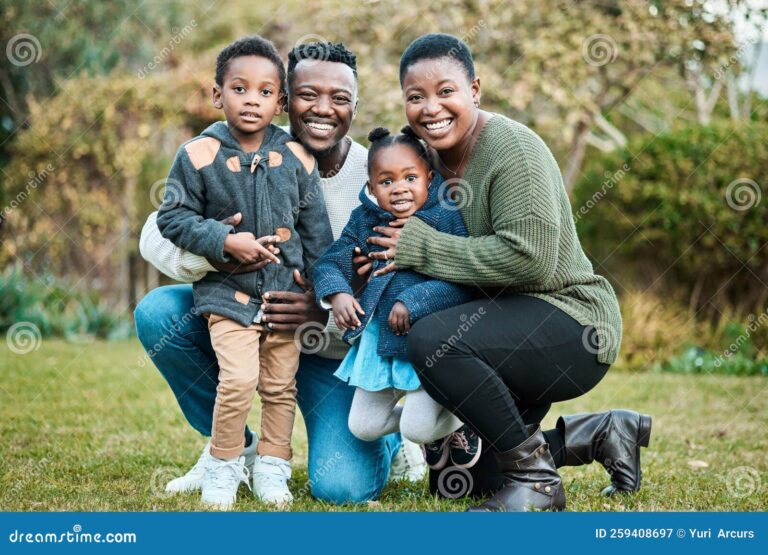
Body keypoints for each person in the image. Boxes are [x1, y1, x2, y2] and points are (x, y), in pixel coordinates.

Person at [365, 33, 652, 511]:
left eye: (446, 91)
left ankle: (538, 484)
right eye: (416, 97)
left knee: (432, 340)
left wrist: (422, 247)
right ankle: (601, 433)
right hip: (499, 325)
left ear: (474, 90)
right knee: (465, 479)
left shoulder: (513, 150)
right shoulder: (423, 161)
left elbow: (530, 259)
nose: (431, 107)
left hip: (572, 321)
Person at [135, 42, 426, 506]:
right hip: (242, 311)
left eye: (340, 98)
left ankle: (390, 439)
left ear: (355, 105)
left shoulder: (382, 171)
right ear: (286, 100)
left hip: (334, 353)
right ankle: (233, 452)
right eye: (309, 94)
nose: (323, 109)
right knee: (159, 314)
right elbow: (154, 233)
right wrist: (225, 252)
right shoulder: (227, 149)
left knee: (341, 487)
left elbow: (410, 275)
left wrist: (323, 309)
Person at [155, 36, 333, 508]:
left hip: (282, 299)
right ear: (218, 95)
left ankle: (273, 467)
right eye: (239, 88)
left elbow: (315, 231)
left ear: (280, 103)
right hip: (227, 297)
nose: (251, 99)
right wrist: (220, 240)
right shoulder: (197, 154)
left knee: (280, 387)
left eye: (264, 91)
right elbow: (171, 218)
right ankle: (225, 463)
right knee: (236, 381)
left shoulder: (297, 157)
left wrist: (318, 285)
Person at [313, 126, 479, 467]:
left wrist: (414, 300)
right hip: (378, 342)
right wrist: (339, 293)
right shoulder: (365, 221)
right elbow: (331, 261)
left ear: (429, 179)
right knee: (363, 426)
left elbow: (464, 282)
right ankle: (417, 433)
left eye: (410, 178)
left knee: (417, 429)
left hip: (425, 341)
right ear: (372, 187)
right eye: (386, 182)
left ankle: (469, 418)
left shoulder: (445, 218)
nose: (399, 188)